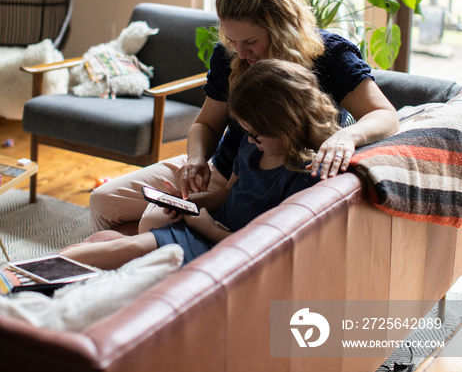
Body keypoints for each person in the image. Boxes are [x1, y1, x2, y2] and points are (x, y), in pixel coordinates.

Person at [90, 0, 399, 235]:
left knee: (153, 223)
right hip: (222, 170)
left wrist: (348, 136)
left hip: (268, 182)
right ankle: (132, 263)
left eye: (251, 42)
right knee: (102, 201)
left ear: (282, 28)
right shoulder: (231, 56)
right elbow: (207, 123)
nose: (241, 52)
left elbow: (385, 114)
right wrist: (197, 161)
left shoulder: (330, 55)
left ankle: (145, 267)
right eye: (233, 41)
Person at [61, 59, 341, 269]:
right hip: (207, 229)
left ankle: (20, 275)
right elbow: (226, 194)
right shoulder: (251, 149)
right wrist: (189, 204)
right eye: (247, 133)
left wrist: (207, 228)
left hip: (224, 247)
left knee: (122, 248)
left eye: (257, 134)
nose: (251, 140)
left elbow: (265, 247)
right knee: (99, 241)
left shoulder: (304, 176)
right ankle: (36, 277)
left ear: (287, 125)